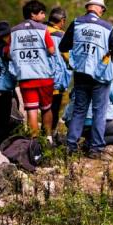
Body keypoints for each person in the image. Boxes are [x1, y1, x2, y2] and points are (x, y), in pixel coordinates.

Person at [59, 0, 113, 159]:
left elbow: (63, 46)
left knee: (79, 110)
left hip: (80, 75)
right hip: (99, 77)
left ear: (88, 7)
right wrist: (106, 57)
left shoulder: (77, 23)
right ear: (99, 9)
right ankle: (95, 150)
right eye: (103, 9)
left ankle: (70, 147)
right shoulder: (107, 28)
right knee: (99, 113)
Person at [7, 0, 56, 138]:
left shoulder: (14, 31)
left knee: (31, 110)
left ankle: (33, 143)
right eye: (41, 13)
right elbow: (52, 50)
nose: (44, 16)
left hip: (25, 77)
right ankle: (48, 139)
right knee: (46, 108)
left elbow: (8, 53)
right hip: (44, 76)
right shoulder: (43, 29)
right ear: (33, 14)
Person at [62, 81, 113, 149]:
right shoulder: (107, 81)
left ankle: (71, 142)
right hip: (93, 123)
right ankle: (89, 145)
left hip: (72, 123)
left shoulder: (81, 77)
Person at [46, 7, 71, 136]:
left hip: (41, 77)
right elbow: (68, 57)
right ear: (62, 21)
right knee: (54, 109)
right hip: (57, 79)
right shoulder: (62, 36)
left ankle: (38, 136)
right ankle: (50, 136)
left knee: (43, 108)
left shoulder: (41, 31)